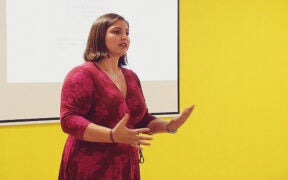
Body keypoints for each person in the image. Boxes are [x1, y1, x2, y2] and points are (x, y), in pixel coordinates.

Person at [58, 13, 195, 180]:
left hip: (125, 165)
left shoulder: (130, 77)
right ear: (99, 36)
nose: (124, 37)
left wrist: (168, 126)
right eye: (116, 32)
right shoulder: (82, 74)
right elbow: (69, 120)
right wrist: (111, 135)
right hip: (90, 166)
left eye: (127, 33)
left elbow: (141, 119)